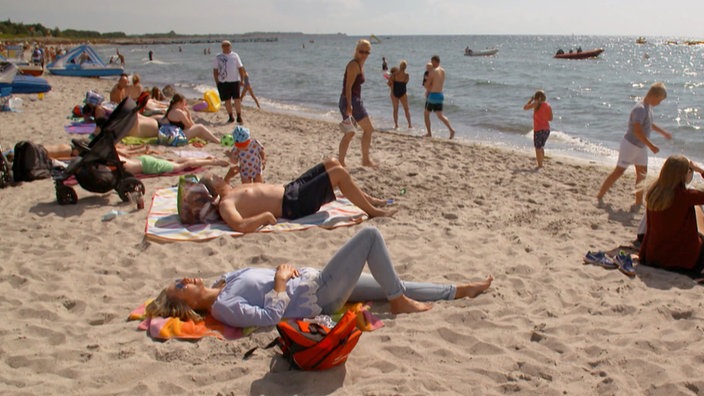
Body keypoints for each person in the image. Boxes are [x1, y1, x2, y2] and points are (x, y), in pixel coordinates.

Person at [145, 227, 495, 328]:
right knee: (370, 236)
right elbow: (269, 318)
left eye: (179, 278)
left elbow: (248, 277)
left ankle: (457, 290)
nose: (185, 278)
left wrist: (283, 273)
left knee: (390, 285)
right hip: (321, 296)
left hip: (316, 281)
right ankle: (401, 304)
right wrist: (281, 283)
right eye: (179, 286)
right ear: (185, 306)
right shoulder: (223, 307)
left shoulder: (222, 283)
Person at [199, 157, 396, 233]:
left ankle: (370, 200)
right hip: (293, 204)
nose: (219, 176)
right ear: (214, 189)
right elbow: (240, 225)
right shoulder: (226, 204)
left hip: (291, 189)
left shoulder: (231, 191)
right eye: (215, 177)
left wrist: (229, 176)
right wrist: (265, 217)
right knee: (339, 174)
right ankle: (373, 211)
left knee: (333, 163)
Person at [597, 82, 672, 209]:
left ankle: (638, 202)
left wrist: (663, 132)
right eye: (659, 100)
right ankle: (600, 195)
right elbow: (637, 131)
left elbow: (649, 124)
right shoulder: (640, 109)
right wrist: (651, 145)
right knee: (619, 171)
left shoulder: (648, 108)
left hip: (640, 147)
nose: (659, 104)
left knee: (642, 173)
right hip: (630, 145)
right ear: (653, 95)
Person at [638, 155, 704, 279]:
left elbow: (650, 229)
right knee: (697, 208)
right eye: (690, 171)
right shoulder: (685, 196)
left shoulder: (654, 193)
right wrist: (701, 171)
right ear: (684, 174)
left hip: (654, 257)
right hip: (682, 262)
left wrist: (643, 256)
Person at [338, 39, 376, 167]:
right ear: (356, 51)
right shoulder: (354, 65)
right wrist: (349, 105)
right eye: (361, 51)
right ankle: (364, 160)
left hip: (352, 100)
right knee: (367, 129)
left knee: (351, 132)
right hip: (350, 101)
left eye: (367, 52)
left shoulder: (360, 64)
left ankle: (342, 161)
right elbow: (348, 87)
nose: (364, 54)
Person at [423, 55, 456, 139]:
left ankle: (429, 133)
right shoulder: (443, 71)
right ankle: (451, 130)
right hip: (440, 95)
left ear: (435, 61)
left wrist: (426, 79)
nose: (431, 64)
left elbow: (427, 85)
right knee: (440, 115)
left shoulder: (432, 72)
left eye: (432, 62)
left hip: (433, 95)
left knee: (426, 114)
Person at [213, 40, 245, 124]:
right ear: (222, 47)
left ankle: (239, 116)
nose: (226, 47)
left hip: (234, 81)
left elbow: (240, 68)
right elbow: (215, 70)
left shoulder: (235, 55)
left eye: (228, 45)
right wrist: (217, 81)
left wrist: (242, 80)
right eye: (224, 45)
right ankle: (230, 116)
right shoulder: (218, 57)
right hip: (223, 82)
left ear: (230, 46)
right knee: (227, 100)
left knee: (237, 99)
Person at [523, 90, 553, 168]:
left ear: (537, 98)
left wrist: (531, 100)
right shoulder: (548, 105)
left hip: (538, 129)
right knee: (541, 147)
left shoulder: (536, 104)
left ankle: (540, 165)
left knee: (537, 148)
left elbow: (525, 108)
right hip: (546, 129)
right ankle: (541, 163)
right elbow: (550, 118)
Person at [121, 154, 229, 175]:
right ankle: (204, 159)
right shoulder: (115, 158)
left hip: (149, 165)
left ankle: (213, 162)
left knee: (183, 165)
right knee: (176, 162)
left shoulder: (115, 164)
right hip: (144, 160)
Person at [388, 60, 412, 130]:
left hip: (394, 92)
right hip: (403, 92)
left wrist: (392, 86)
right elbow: (405, 83)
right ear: (405, 67)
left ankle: (396, 125)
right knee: (406, 109)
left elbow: (389, 83)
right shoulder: (407, 75)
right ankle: (410, 125)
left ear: (400, 66)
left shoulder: (394, 74)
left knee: (395, 109)